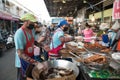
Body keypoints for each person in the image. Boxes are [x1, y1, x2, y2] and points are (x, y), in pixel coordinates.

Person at [14, 13, 47, 80]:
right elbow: (20, 53)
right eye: (32, 22)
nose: (34, 24)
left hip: (31, 58)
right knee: (23, 77)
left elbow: (34, 42)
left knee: (30, 76)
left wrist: (43, 46)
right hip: (22, 61)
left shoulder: (31, 30)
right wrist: (36, 63)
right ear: (26, 21)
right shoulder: (19, 33)